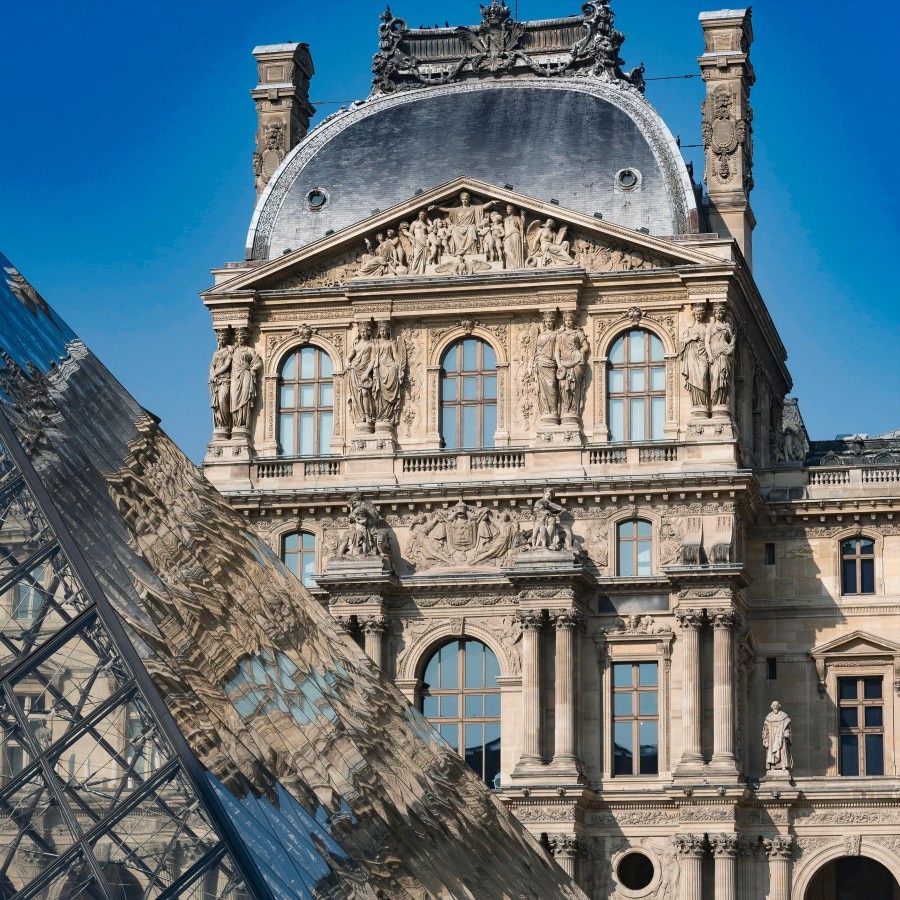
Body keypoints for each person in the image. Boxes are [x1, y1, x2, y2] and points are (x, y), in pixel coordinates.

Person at [429, 191, 499, 256]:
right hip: (459, 227)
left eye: (466, 199)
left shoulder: (473, 208)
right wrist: (436, 207)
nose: (464, 200)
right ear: (461, 200)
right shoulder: (457, 209)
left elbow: (483, 207)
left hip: (470, 226)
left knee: (471, 229)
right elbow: (447, 210)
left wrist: (491, 202)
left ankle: (469, 250)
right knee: (454, 231)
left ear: (469, 199)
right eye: (463, 199)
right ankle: (459, 250)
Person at [555, 311, 589, 419]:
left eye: (570, 320)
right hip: (564, 363)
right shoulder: (559, 335)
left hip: (576, 362)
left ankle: (573, 410)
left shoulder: (578, 333)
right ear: (564, 322)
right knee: (563, 386)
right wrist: (559, 364)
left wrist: (580, 353)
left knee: (575, 387)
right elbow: (556, 352)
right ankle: (566, 409)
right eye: (566, 320)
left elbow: (586, 347)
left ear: (573, 321)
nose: (568, 322)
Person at [229, 329, 262, 430]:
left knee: (245, 398)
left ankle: (242, 423)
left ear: (246, 338)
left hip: (246, 376)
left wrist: (252, 369)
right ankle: (236, 423)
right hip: (235, 378)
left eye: (242, 337)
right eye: (238, 337)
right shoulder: (233, 350)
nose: (240, 339)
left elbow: (258, 362)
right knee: (234, 399)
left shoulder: (250, 350)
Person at [373, 322, 406, 424]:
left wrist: (399, 369)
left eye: (384, 330)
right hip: (379, 368)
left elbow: (396, 357)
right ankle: (380, 415)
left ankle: (387, 415)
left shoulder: (391, 343)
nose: (382, 332)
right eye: (381, 330)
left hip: (389, 366)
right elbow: (373, 357)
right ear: (378, 331)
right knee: (380, 393)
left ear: (388, 331)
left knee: (392, 373)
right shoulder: (375, 342)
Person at [706, 302, 737, 408]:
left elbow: (731, 340)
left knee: (724, 378)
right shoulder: (711, 326)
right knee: (715, 377)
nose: (718, 314)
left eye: (720, 312)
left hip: (724, 354)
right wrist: (709, 355)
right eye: (717, 312)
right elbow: (706, 342)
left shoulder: (726, 326)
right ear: (714, 314)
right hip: (714, 355)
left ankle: (722, 401)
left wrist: (731, 345)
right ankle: (716, 401)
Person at [346, 322, 377, 429]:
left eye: (364, 331)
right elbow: (349, 357)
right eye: (361, 331)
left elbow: (373, 360)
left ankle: (368, 415)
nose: (363, 333)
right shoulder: (357, 344)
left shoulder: (371, 344)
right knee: (357, 395)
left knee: (365, 393)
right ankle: (362, 414)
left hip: (365, 371)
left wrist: (367, 372)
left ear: (368, 332)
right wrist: (348, 363)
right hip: (355, 370)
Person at [680, 304, 709, 411]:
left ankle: (703, 404)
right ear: (694, 314)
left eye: (701, 313)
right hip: (692, 356)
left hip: (703, 356)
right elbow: (681, 344)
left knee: (702, 377)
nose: (699, 315)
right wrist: (691, 338)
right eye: (697, 313)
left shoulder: (707, 328)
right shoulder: (689, 330)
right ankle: (697, 404)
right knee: (694, 378)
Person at [534, 311, 559, 424]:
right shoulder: (540, 336)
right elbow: (537, 350)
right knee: (543, 390)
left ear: (553, 322)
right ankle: (546, 410)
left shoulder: (556, 334)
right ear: (544, 323)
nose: (548, 323)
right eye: (546, 322)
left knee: (551, 385)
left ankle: (554, 410)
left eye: (550, 321)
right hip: (541, 362)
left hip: (551, 363)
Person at [208, 330, 233, 434]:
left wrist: (215, 374)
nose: (221, 341)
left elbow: (227, 365)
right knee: (217, 405)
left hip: (225, 380)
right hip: (216, 382)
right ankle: (220, 425)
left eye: (223, 339)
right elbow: (211, 366)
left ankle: (225, 424)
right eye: (220, 339)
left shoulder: (228, 352)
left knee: (223, 401)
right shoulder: (215, 353)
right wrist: (212, 374)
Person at [762, 700, 793, 772]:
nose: (775, 707)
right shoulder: (768, 717)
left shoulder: (784, 716)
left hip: (781, 737)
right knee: (772, 752)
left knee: (782, 750)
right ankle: (773, 766)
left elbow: (788, 728)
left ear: (779, 706)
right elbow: (765, 730)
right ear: (771, 707)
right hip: (771, 737)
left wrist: (786, 733)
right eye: (774, 705)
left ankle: (783, 766)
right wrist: (765, 740)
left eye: (776, 705)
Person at [502, 204, 525, 269]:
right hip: (507, 236)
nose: (507, 211)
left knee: (515, 250)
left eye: (508, 209)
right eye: (506, 209)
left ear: (512, 210)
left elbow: (522, 226)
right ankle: (511, 265)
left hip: (515, 234)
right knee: (507, 250)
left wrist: (523, 217)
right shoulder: (505, 219)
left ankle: (517, 265)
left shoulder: (517, 218)